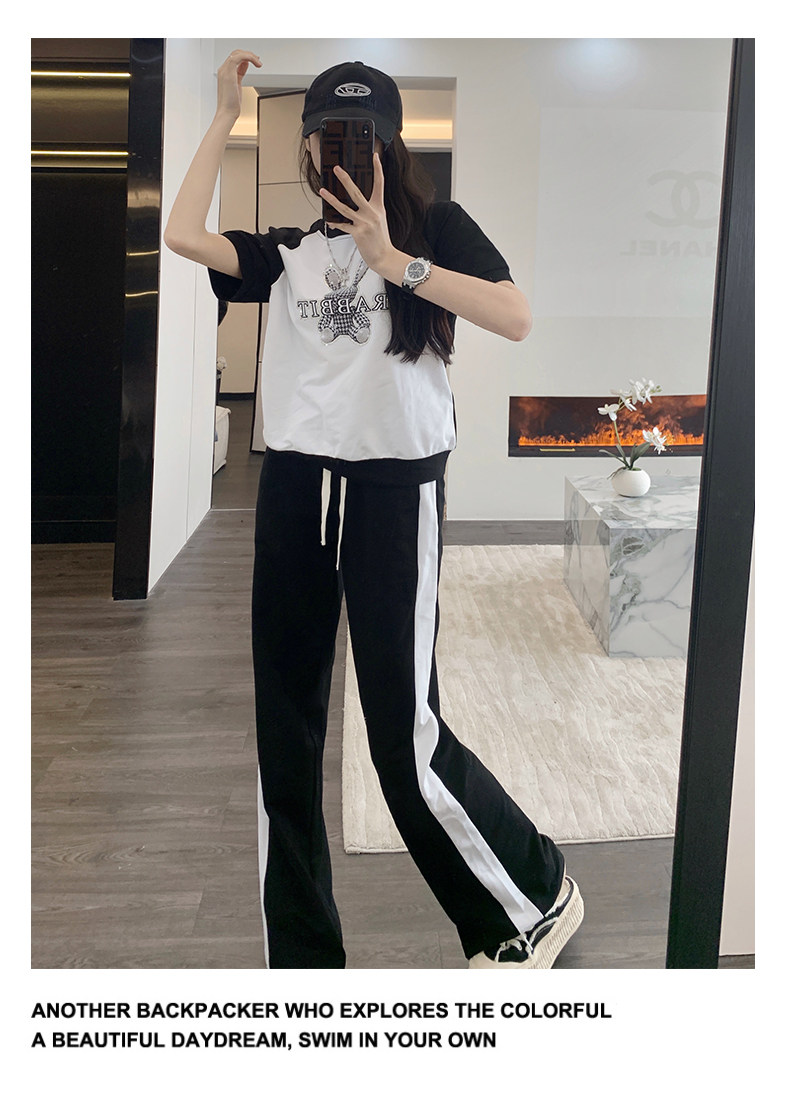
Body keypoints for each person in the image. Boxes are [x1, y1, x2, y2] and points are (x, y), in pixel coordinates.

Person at [165, 49, 584, 970]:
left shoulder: (436, 230)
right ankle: (303, 959)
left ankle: (531, 898)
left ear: (390, 148)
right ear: (311, 150)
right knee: (285, 732)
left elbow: (514, 316)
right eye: (326, 138)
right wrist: (225, 114)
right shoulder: (285, 252)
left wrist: (395, 261)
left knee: (403, 734)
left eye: (358, 138)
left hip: (395, 493)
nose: (340, 154)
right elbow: (183, 234)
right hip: (293, 493)